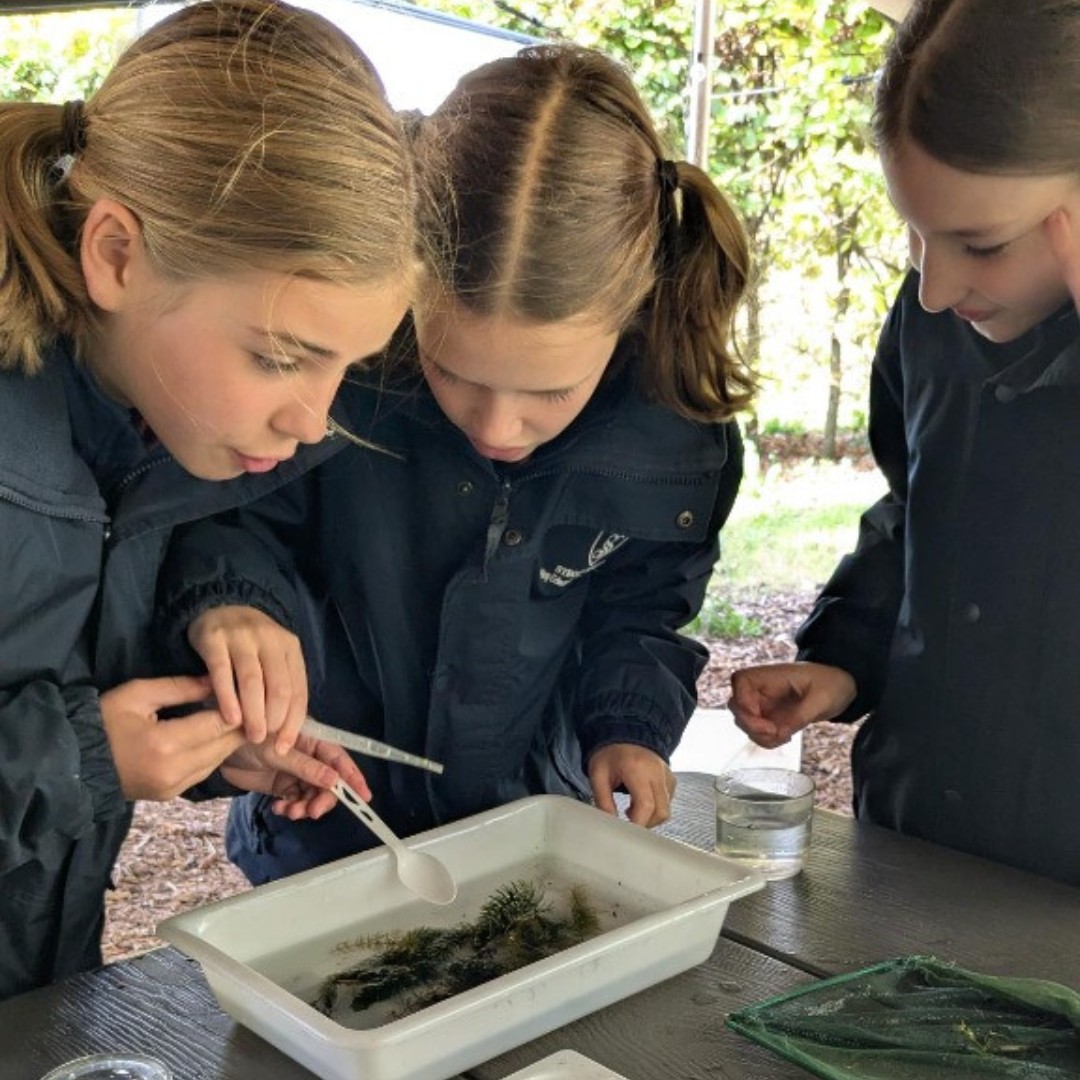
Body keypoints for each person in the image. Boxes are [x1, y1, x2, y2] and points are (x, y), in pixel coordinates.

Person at [160, 43, 754, 884]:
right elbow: (231, 517)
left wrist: (626, 727)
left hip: (533, 815)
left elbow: (643, 609)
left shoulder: (676, 435)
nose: (497, 426)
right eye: (455, 373)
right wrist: (232, 604)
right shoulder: (340, 383)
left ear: (631, 320)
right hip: (325, 824)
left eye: (550, 392)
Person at [0, 0, 418, 999]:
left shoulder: (140, 427)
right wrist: (84, 762)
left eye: (343, 368)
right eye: (281, 358)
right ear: (115, 255)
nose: (314, 423)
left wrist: (202, 734)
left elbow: (64, 649)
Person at [729, 0, 1080, 885]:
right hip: (916, 839)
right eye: (915, 236)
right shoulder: (929, 324)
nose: (934, 286)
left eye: (980, 242)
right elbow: (916, 505)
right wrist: (847, 658)